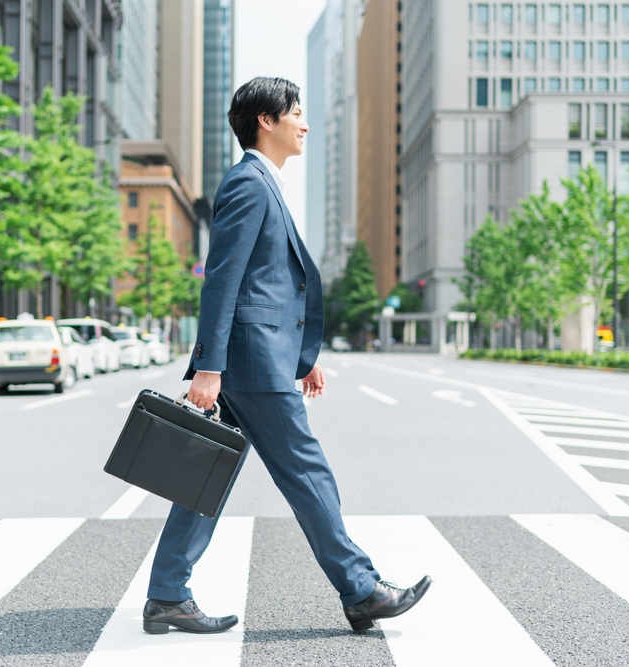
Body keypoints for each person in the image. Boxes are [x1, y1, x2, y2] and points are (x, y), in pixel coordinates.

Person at [141, 77, 430, 636]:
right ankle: (361, 589)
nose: (304, 121)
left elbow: (266, 286)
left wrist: (301, 356)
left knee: (206, 473)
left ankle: (166, 595)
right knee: (307, 472)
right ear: (265, 121)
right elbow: (222, 282)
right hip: (248, 365)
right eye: (295, 111)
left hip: (258, 359)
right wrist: (209, 367)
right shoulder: (250, 184)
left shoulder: (262, 183)